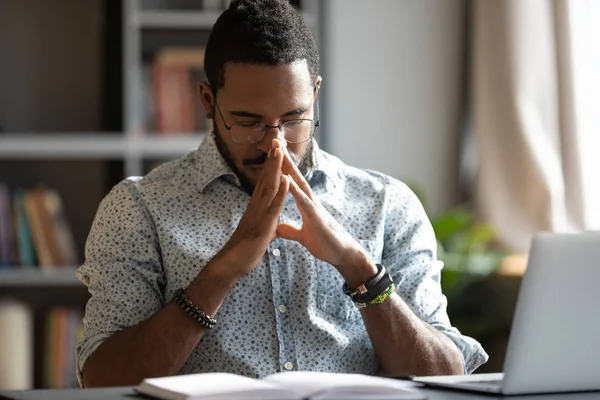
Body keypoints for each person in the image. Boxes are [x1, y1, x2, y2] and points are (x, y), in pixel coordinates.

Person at [76, 0, 488, 388]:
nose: (274, 143)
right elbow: (103, 379)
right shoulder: (138, 209)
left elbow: (445, 377)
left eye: (293, 119)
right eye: (247, 121)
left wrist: (359, 269)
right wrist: (224, 268)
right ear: (207, 100)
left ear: (315, 95)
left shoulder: (386, 205)